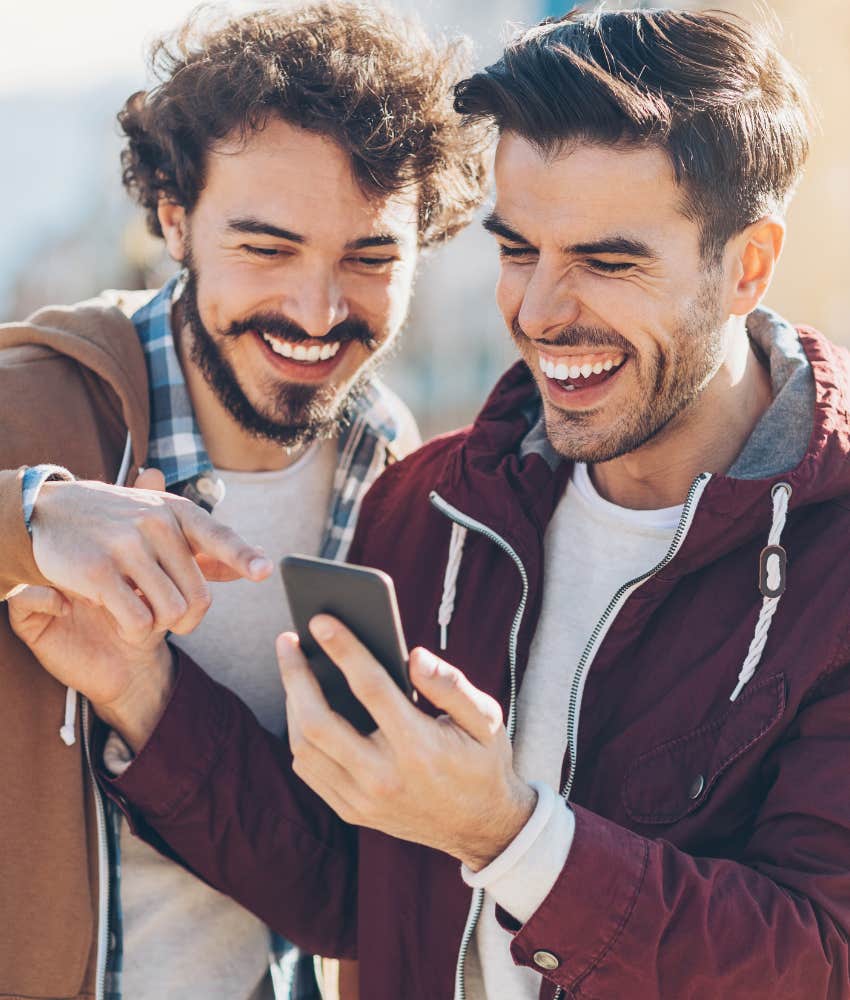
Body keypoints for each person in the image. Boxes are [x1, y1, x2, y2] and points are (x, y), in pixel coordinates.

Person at [10, 7, 850, 999]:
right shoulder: (434, 505)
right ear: (172, 222)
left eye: (607, 261)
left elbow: (820, 958)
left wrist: (506, 833)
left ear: (747, 265)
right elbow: (348, 887)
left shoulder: (831, 562)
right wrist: (138, 684)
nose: (538, 313)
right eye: (518, 249)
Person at [0, 4, 489, 1000]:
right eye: (266, 248)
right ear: (175, 216)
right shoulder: (29, 408)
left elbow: (338, 888)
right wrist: (29, 514)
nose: (315, 312)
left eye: (369, 258)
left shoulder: (402, 485)